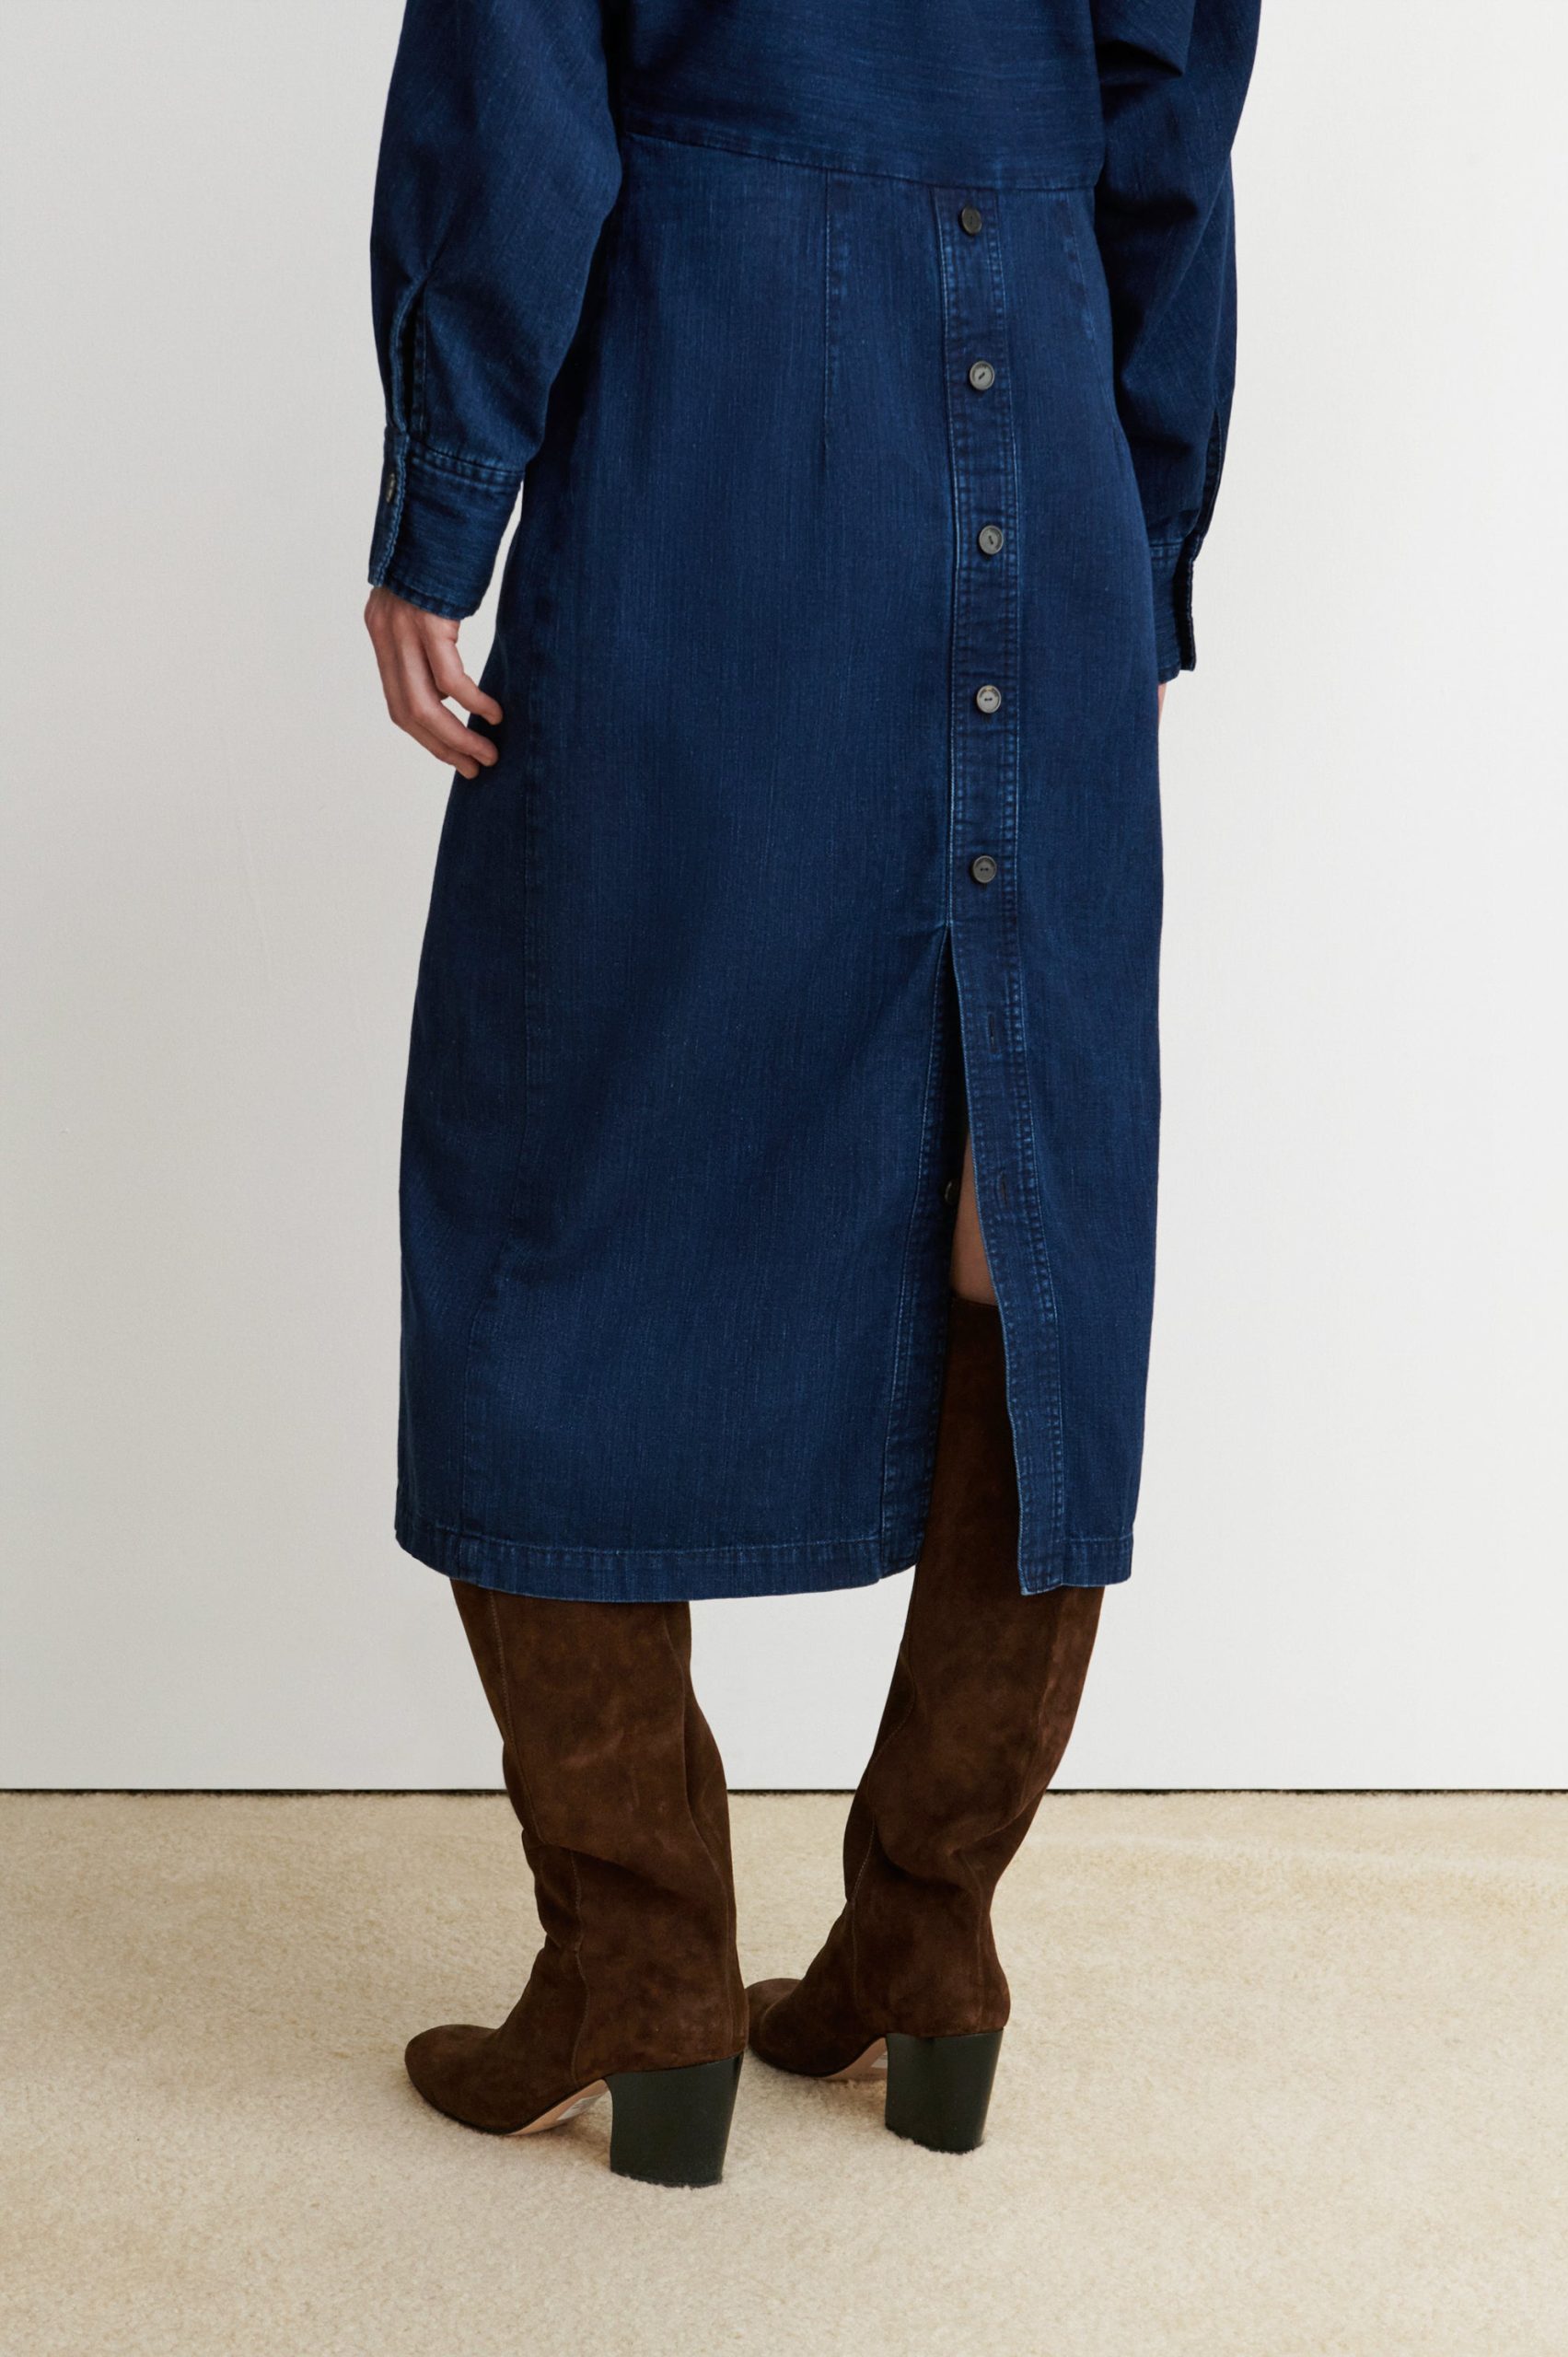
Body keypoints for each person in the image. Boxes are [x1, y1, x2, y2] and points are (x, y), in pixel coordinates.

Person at [365, 0, 1259, 2188]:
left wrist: (442, 496)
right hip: (1047, 407)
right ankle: (926, 1940)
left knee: (543, 1180)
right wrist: (1135, 519)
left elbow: (516, 75)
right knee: (1017, 1194)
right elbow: (1169, 120)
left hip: (716, 403)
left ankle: (642, 1963)